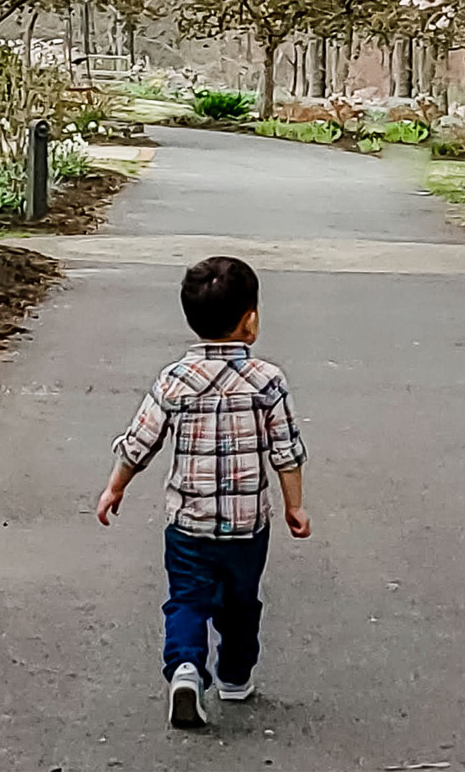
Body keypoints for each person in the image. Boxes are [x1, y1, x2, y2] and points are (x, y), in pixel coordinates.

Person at [96, 255, 311, 730]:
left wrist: (115, 487)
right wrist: (295, 505)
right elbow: (286, 452)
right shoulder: (267, 382)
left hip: (189, 524)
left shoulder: (174, 380)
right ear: (250, 320)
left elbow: (140, 441)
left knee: (187, 599)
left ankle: (187, 669)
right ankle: (234, 678)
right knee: (241, 603)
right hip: (246, 526)